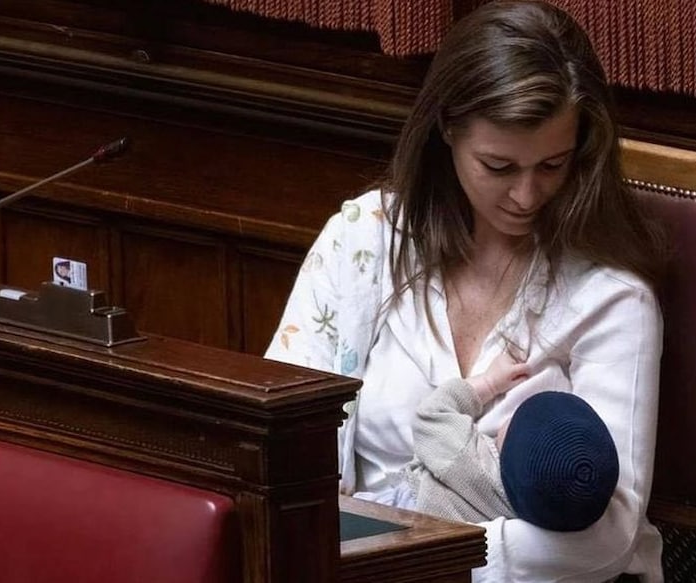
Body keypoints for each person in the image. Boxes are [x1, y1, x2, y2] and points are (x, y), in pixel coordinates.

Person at [265, 1, 666, 580]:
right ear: (446, 130)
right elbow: (283, 444)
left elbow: (607, 541)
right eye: (498, 167)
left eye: (552, 165)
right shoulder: (368, 239)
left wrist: (415, 561)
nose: (527, 196)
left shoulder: (613, 301)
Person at [368, 351, 620, 534]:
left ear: (508, 438)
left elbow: (430, 415)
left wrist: (489, 383)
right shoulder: (532, 515)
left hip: (399, 510)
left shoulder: (466, 455)